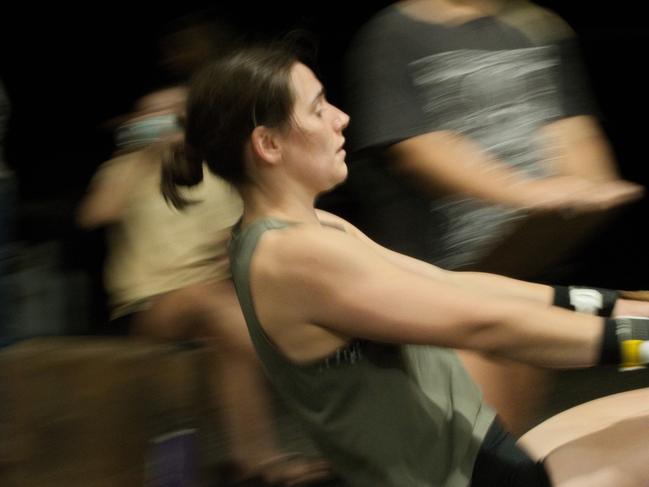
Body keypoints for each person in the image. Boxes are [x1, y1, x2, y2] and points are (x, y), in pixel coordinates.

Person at [161, 43, 649, 486]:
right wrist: (641, 342)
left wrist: (618, 305)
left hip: (482, 455)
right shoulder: (291, 256)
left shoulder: (317, 229)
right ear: (268, 144)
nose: (342, 118)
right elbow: (488, 326)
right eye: (317, 109)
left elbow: (456, 286)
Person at [341, 0, 646, 434]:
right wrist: (527, 193)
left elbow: (569, 126)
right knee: (480, 441)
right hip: (441, 277)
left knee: (519, 432)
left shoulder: (534, 26)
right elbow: (418, 150)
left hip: (521, 266)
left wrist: (591, 184)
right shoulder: (393, 33)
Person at [77, 86, 330, 486]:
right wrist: (138, 159)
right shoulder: (127, 168)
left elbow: (241, 231)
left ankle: (259, 461)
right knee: (209, 301)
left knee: (226, 342)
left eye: (174, 112)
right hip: (148, 308)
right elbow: (94, 215)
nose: (164, 120)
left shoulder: (214, 170)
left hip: (215, 300)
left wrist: (229, 247)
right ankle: (310, 371)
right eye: (152, 113)